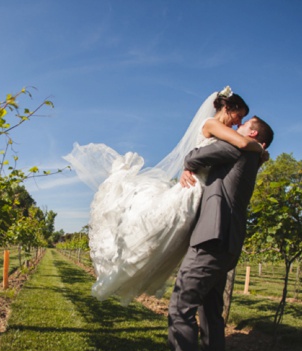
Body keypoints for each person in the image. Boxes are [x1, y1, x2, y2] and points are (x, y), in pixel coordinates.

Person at [63, 87, 265, 305]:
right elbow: (242, 143)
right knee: (159, 230)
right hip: (193, 188)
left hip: (201, 187)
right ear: (227, 107)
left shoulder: (222, 132)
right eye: (238, 116)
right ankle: (124, 263)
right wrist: (261, 150)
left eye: (242, 119)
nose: (237, 123)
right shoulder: (211, 124)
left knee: (169, 241)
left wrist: (189, 166)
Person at [147, 115, 274, 351]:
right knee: (211, 310)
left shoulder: (237, 147)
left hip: (211, 240)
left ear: (251, 133)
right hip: (228, 243)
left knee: (180, 308)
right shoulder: (250, 155)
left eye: (242, 125)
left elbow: (195, 154)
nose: (234, 128)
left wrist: (189, 160)